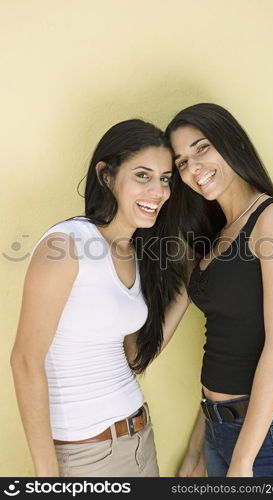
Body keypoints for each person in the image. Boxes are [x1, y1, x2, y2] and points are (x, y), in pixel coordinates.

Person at [10, 118, 188, 477]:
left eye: (165, 179)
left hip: (139, 439)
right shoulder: (67, 244)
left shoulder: (135, 253)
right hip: (85, 456)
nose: (158, 191)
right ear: (107, 175)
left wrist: (185, 288)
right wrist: (48, 476)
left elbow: (134, 358)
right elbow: (25, 361)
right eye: (143, 175)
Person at [165, 103, 273, 477]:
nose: (194, 167)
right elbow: (222, 347)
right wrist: (198, 449)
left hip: (268, 443)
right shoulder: (215, 238)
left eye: (202, 148)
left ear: (231, 143)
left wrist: (244, 461)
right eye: (182, 161)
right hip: (219, 431)